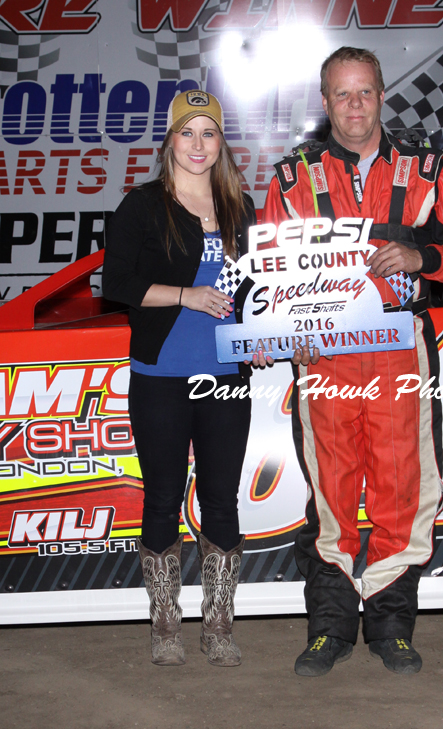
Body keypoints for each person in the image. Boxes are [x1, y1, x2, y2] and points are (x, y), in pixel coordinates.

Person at [263, 47, 443, 677]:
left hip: (398, 350)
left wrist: (425, 260)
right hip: (323, 358)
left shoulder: (426, 167)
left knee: (401, 490)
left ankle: (391, 629)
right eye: (343, 94)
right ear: (326, 101)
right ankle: (328, 631)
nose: (355, 106)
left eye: (365, 92)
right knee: (331, 495)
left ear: (383, 94)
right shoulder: (291, 179)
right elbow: (269, 272)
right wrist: (281, 328)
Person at [103, 90, 256, 668]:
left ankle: (218, 626)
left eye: (208, 133)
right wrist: (187, 296)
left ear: (222, 143)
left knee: (221, 499)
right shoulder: (142, 206)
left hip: (226, 376)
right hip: (162, 374)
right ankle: (165, 625)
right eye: (186, 133)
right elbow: (116, 284)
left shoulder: (240, 208)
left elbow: (253, 294)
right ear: (169, 141)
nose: (198, 145)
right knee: (163, 496)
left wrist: (259, 340)